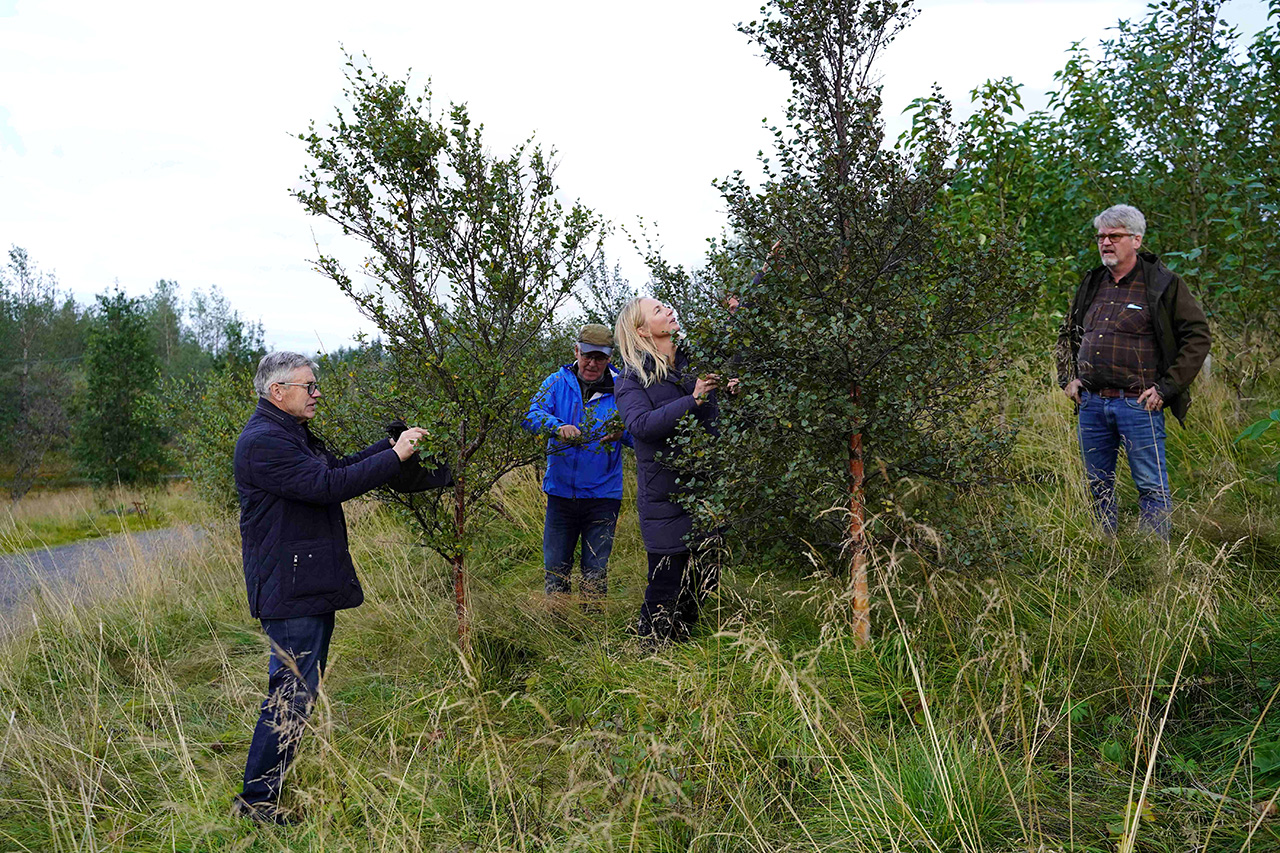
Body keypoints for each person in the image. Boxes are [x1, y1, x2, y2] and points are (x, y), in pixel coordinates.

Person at [231, 351, 445, 824]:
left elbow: (338, 467)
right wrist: (395, 455)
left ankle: (262, 797)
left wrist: (386, 448)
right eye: (309, 386)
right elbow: (328, 485)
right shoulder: (264, 442)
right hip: (290, 587)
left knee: (298, 691)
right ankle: (256, 804)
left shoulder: (289, 433)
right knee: (291, 694)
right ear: (277, 392)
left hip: (303, 580)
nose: (317, 393)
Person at [1056, 204, 1211, 540]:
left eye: (1115, 236)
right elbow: (1067, 332)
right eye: (1101, 237)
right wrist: (1068, 378)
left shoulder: (1162, 284)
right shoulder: (1092, 282)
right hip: (1092, 404)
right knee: (1098, 485)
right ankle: (1105, 551)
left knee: (1151, 486)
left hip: (1139, 405)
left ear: (1136, 239)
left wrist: (1166, 388)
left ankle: (1154, 560)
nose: (1105, 243)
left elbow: (1197, 336)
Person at [614, 298, 730, 643]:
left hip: (707, 492)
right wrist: (691, 400)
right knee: (665, 585)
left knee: (705, 577)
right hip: (666, 498)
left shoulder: (691, 365)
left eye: (666, 306)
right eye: (657, 310)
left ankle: (680, 645)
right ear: (641, 330)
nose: (668, 310)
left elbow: (731, 344)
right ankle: (649, 652)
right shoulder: (631, 379)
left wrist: (728, 393)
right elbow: (640, 425)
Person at [522, 324, 633, 605]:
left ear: (610, 358)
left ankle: (592, 636)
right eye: (587, 356)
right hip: (560, 496)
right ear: (576, 351)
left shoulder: (622, 388)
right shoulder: (557, 382)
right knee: (556, 572)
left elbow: (641, 429)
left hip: (603, 497)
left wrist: (624, 434)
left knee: (595, 574)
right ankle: (557, 630)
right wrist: (556, 427)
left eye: (600, 358)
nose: (592, 363)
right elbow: (531, 415)